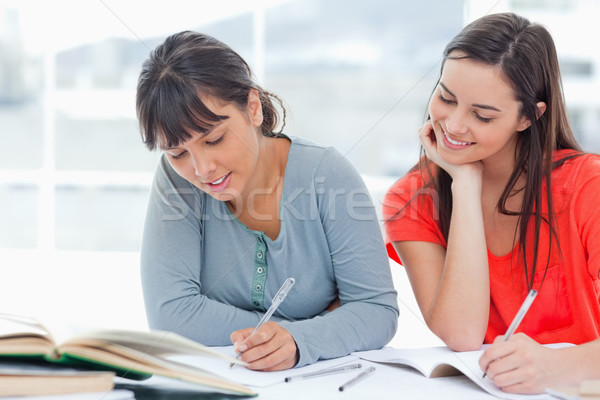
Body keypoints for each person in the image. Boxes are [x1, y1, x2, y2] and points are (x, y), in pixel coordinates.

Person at [135, 31, 398, 372]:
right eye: (178, 152)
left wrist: (298, 340)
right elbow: (170, 317)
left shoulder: (326, 175)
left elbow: (377, 311)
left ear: (253, 108)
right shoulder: (177, 181)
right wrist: (310, 325)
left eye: (214, 139)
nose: (202, 170)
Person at [382, 12, 600, 394]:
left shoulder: (588, 186)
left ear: (529, 117)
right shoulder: (410, 198)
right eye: (446, 97)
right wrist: (464, 185)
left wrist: (558, 366)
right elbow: (463, 334)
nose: (453, 125)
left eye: (482, 115)